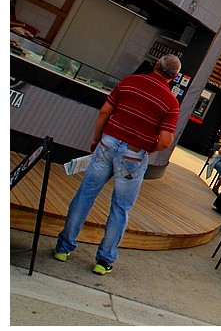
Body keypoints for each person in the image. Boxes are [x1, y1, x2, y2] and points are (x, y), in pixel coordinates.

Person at [53, 54, 181, 275]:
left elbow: (105, 111)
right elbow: (166, 141)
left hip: (107, 143)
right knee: (120, 207)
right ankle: (104, 260)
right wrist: (150, 148)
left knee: (85, 195)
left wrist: (96, 139)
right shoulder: (170, 102)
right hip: (134, 154)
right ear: (175, 76)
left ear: (157, 65)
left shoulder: (130, 81)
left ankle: (63, 248)